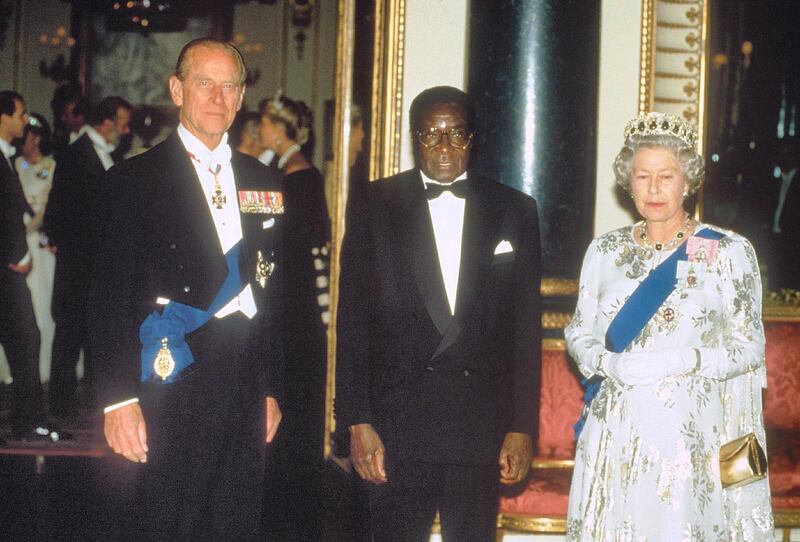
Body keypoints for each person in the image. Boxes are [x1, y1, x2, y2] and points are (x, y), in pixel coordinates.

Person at [89, 38, 284, 540]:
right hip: (169, 386)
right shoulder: (131, 181)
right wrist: (116, 400)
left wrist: (271, 387)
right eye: (204, 84)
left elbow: (278, 301)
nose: (217, 98)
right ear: (177, 90)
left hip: (243, 390)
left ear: (242, 98)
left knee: (235, 525)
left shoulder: (267, 183)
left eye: (229, 87)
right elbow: (107, 299)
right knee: (166, 525)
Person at [335, 86, 542, 541]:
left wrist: (521, 427)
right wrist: (357, 420)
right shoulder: (374, 204)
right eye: (431, 136)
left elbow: (525, 332)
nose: (444, 148)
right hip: (397, 424)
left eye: (456, 135)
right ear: (414, 138)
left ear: (473, 138)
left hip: (479, 426)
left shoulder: (515, 210)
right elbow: (352, 324)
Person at [565, 112, 773, 541]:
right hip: (614, 433)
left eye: (667, 176)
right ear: (628, 181)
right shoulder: (604, 250)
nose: (654, 188)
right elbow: (578, 331)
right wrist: (607, 362)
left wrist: (686, 358)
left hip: (688, 436)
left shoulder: (725, 251)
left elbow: (750, 349)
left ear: (688, 181)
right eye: (643, 176)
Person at [259, 94, 352, 540]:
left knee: (296, 397)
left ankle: (293, 500)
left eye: (264, 124)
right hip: (289, 305)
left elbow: (301, 253)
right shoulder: (288, 175)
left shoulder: (299, 180)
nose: (259, 131)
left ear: (279, 130)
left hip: (296, 310)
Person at [44, 96, 132, 417]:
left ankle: (97, 403)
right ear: (107, 122)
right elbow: (60, 211)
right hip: (78, 265)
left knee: (98, 334)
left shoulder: (110, 156)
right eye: (123, 122)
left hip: (98, 267)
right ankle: (62, 406)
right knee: (68, 337)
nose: (126, 130)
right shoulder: (74, 155)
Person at [0, 91, 58, 443]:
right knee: (24, 339)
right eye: (20, 115)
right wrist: (17, 256)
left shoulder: (7, 158)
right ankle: (28, 419)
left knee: (26, 339)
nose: (25, 122)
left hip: (10, 268)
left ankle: (29, 419)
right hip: (6, 268)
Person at [14, 113, 57, 384]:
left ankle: (43, 369)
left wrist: (30, 226)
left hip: (38, 244)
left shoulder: (50, 166)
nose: (24, 141)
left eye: (28, 136)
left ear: (38, 137)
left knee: (42, 305)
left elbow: (47, 205)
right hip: (16, 244)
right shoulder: (15, 164)